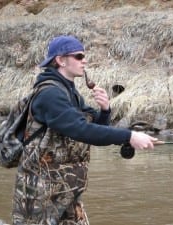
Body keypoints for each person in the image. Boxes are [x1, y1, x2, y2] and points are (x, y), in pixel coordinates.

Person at [12, 35, 157, 225]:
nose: (85, 61)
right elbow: (82, 130)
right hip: (40, 194)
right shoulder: (50, 95)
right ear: (61, 60)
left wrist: (105, 110)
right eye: (79, 56)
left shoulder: (69, 93)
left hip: (67, 191)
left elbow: (95, 126)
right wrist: (129, 136)